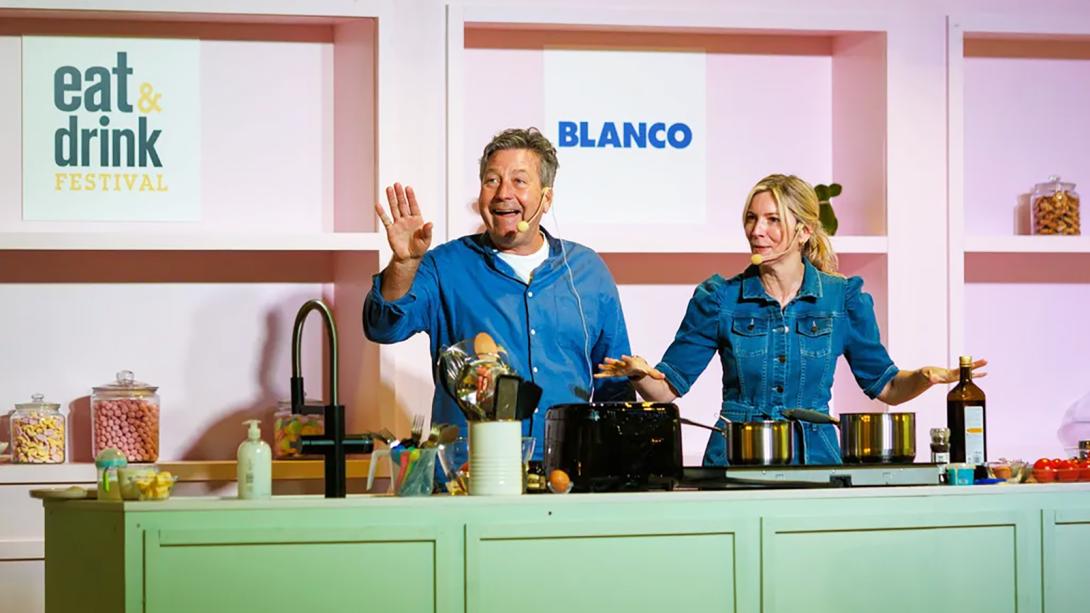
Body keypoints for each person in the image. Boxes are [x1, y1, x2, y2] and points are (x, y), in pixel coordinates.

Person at [597, 174, 986, 465]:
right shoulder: (718, 298)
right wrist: (638, 374)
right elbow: (667, 389)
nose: (756, 231)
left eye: (772, 220)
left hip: (816, 464)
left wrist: (923, 378)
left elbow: (886, 387)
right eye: (751, 218)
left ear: (803, 231)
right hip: (736, 463)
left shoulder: (843, 298)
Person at [364, 128, 633, 456]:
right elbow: (382, 327)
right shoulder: (445, 266)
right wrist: (404, 263)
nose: (503, 193)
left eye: (519, 181)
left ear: (546, 198)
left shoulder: (587, 271)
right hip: (468, 479)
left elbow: (615, 387)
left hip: (566, 474)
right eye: (492, 180)